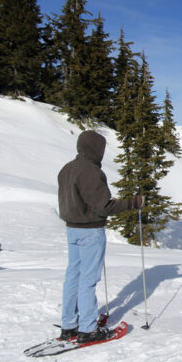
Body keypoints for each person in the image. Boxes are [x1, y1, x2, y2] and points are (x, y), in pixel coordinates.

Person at [57, 130, 143, 343]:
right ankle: (88, 329)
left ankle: (69, 325)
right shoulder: (92, 172)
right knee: (88, 279)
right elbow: (104, 207)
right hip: (90, 231)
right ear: (96, 149)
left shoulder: (66, 169)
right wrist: (133, 203)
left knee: (73, 276)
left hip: (72, 229)